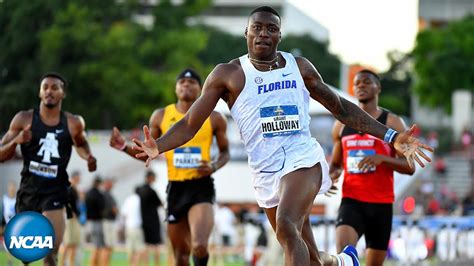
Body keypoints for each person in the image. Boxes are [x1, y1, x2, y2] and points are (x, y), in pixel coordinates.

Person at [132, 6, 434, 266]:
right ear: (246, 33)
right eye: (257, 28)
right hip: (265, 170)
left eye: (271, 29)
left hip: (302, 157)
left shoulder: (299, 67)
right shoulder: (228, 74)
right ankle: (341, 261)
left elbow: (341, 107)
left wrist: (391, 136)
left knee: (287, 226)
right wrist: (158, 145)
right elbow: (189, 123)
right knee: (309, 257)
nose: (264, 34)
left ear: (279, 36)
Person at [110, 68, 230, 266]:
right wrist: (124, 147)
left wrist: (214, 166)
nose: (186, 85)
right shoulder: (161, 116)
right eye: (181, 82)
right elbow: (149, 154)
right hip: (175, 188)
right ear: (175, 88)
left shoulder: (215, 117)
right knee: (180, 255)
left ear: (200, 88)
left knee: (199, 246)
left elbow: (225, 152)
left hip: (201, 186)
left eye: (191, 82)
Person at [0, 72, 97, 265]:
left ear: (63, 94)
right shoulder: (24, 119)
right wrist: (16, 142)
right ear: (39, 93)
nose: (49, 91)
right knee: (24, 255)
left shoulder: (73, 123)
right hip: (29, 190)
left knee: (51, 251)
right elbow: (2, 154)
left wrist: (88, 156)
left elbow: (81, 144)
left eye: (55, 88)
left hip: (55, 191)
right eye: (45, 87)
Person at [327, 70, 416, 266]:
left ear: (378, 88)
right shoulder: (341, 125)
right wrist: (328, 179)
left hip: (381, 205)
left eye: (366, 82)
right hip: (351, 201)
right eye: (357, 83)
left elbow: (410, 167)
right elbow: (335, 165)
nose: (361, 86)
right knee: (345, 257)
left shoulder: (392, 122)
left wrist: (382, 159)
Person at [137, 170, 163, 266]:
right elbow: (160, 203)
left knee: (145, 246)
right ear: (150, 178)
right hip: (153, 221)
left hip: (143, 221)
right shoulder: (151, 191)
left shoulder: (140, 190)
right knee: (156, 246)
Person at [121, 187, 147, 266]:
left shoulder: (128, 199)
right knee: (140, 249)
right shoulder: (140, 200)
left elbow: (124, 214)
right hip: (137, 227)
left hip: (128, 227)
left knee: (130, 249)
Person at [61, 171, 82, 266]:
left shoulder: (75, 189)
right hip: (69, 219)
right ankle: (62, 263)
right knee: (67, 243)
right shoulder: (68, 188)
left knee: (74, 243)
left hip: (75, 219)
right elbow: (64, 203)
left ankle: (71, 263)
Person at [85, 176, 105, 266]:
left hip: (89, 222)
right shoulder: (98, 194)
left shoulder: (88, 193)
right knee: (97, 247)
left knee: (95, 246)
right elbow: (102, 207)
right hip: (97, 222)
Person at [102, 177, 118, 266]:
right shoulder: (107, 195)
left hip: (108, 221)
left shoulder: (105, 194)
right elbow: (113, 209)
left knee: (109, 247)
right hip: (108, 222)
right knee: (107, 247)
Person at [2, 181, 17, 266]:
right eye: (10, 187)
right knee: (8, 245)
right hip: (7, 226)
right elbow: (2, 213)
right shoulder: (4, 200)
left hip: (15, 226)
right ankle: (9, 262)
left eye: (13, 187)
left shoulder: (17, 200)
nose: (12, 189)